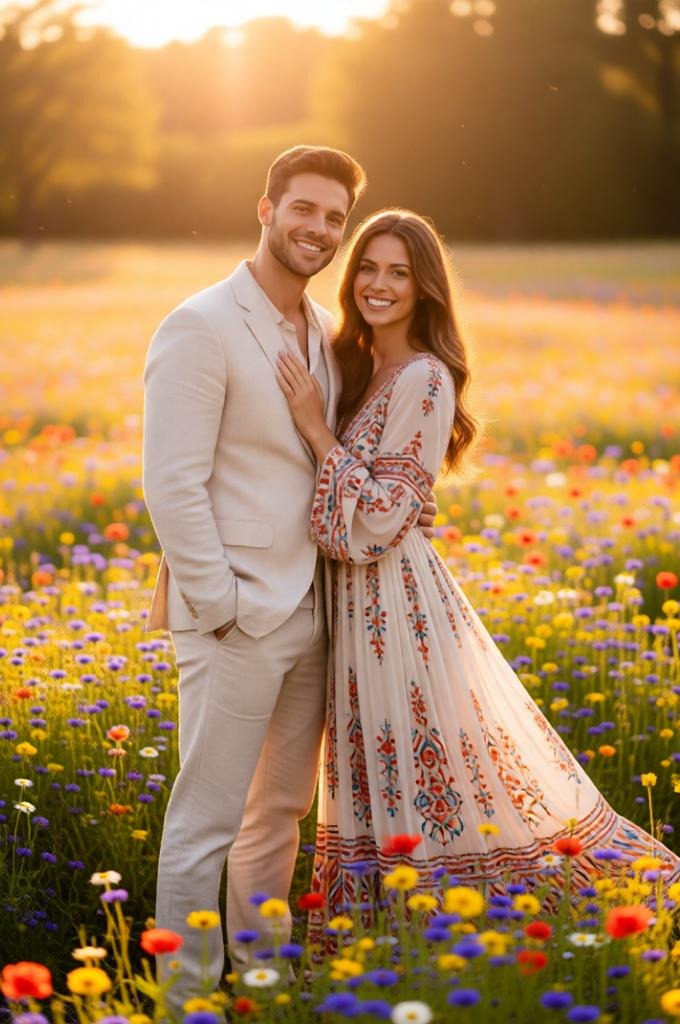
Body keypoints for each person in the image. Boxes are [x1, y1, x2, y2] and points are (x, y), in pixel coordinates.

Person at [275, 208, 680, 924]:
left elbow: (372, 523)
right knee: (380, 772)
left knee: (437, 777)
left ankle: (467, 932)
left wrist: (318, 432)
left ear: (425, 287)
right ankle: (390, 942)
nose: (378, 283)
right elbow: (378, 501)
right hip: (353, 607)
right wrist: (382, 497)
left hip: (393, 610)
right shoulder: (356, 366)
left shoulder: (425, 379)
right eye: (368, 267)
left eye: (399, 272)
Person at [143, 146, 437, 1011]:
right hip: (235, 618)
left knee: (277, 820)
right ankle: (187, 1001)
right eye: (303, 210)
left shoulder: (315, 326)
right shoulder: (199, 324)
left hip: (313, 614)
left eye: (334, 219)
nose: (319, 229)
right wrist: (223, 608)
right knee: (204, 825)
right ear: (266, 209)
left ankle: (261, 985)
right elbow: (172, 483)